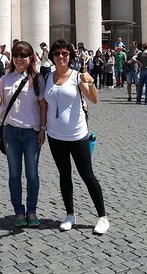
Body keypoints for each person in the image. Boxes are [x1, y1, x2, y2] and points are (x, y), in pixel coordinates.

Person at [44, 39, 109, 235]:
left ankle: (102, 216)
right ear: (52, 56)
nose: (61, 56)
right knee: (64, 176)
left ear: (70, 55)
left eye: (65, 53)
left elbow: (94, 100)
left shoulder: (77, 76)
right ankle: (70, 214)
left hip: (77, 135)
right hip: (55, 136)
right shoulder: (46, 77)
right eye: (57, 53)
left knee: (87, 175)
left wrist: (89, 82)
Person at [0, 41, 47, 227]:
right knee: (14, 173)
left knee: (32, 174)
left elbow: (42, 105)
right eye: (16, 55)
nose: (19, 59)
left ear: (30, 58)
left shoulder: (38, 79)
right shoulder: (6, 79)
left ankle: (32, 210)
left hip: (32, 133)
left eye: (23, 55)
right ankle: (18, 211)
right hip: (11, 132)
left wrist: (42, 129)